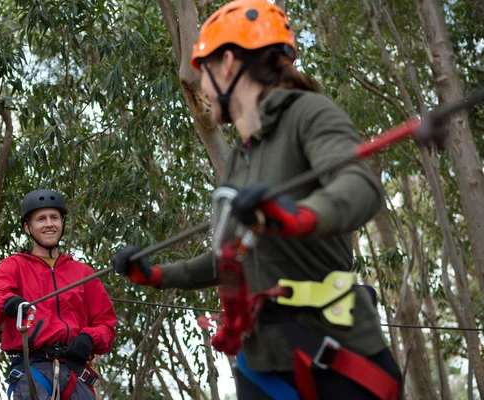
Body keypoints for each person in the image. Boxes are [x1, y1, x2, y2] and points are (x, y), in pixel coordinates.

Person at [110, 1, 402, 399]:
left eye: (205, 73)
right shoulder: (240, 159)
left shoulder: (309, 113)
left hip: (336, 353)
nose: (204, 89)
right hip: (264, 359)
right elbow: (229, 256)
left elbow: (358, 186)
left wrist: (293, 216)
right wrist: (156, 275)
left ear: (228, 64)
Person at [0, 189, 116, 399]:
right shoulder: (14, 266)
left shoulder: (83, 273)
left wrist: (89, 338)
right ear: (28, 227)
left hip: (76, 373)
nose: (49, 224)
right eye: (41, 219)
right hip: (35, 370)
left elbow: (106, 324)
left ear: (62, 223)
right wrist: (8, 303)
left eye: (54, 218)